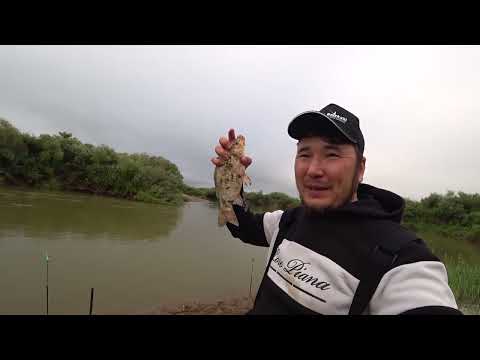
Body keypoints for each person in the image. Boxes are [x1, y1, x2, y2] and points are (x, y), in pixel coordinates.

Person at [211, 103, 462, 315]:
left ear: (360, 169)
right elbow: (241, 226)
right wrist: (229, 182)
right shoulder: (287, 221)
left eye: (332, 154)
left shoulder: (402, 260)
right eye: (304, 154)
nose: (313, 170)